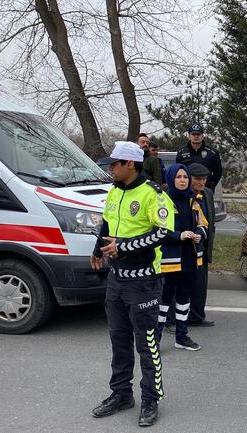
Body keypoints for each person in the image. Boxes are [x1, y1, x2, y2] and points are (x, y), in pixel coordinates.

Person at [89, 141, 173, 427]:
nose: (110, 167)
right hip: (116, 282)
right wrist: (97, 250)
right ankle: (121, 393)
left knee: (147, 345)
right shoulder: (114, 191)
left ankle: (151, 398)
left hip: (144, 283)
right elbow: (107, 225)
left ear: (130, 165)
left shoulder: (153, 194)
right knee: (119, 341)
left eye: (115, 163)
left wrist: (123, 246)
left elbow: (163, 233)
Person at [156, 163, 208, 351]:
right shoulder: (163, 201)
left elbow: (203, 224)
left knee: (185, 297)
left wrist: (199, 234)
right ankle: (156, 339)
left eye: (185, 177)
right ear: (171, 179)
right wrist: (179, 235)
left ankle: (181, 337)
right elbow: (158, 230)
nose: (182, 180)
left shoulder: (194, 200)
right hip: (170, 259)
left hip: (190, 257)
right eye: (178, 177)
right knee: (164, 299)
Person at [187, 163, 216, 326]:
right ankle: (172, 319)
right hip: (187, 247)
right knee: (181, 285)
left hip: (203, 247)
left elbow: (210, 220)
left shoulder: (208, 194)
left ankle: (197, 316)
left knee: (200, 284)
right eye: (198, 179)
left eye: (204, 179)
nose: (202, 182)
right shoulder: (184, 195)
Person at [175, 124, 223, 191]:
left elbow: (218, 172)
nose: (196, 136)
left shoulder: (212, 153)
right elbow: (178, 171)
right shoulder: (181, 152)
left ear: (202, 136)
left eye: (198, 134)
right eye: (193, 134)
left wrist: (211, 185)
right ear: (189, 136)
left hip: (205, 189)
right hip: (186, 190)